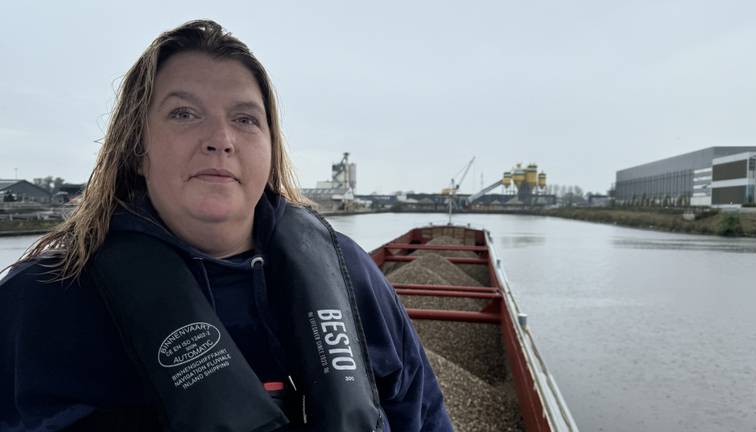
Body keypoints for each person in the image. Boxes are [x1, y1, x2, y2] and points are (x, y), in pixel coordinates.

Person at [0, 20, 452, 432]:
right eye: (184, 113)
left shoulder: (348, 272)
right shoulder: (45, 296)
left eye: (245, 119)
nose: (221, 139)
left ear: (270, 148)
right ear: (136, 146)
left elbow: (424, 412)